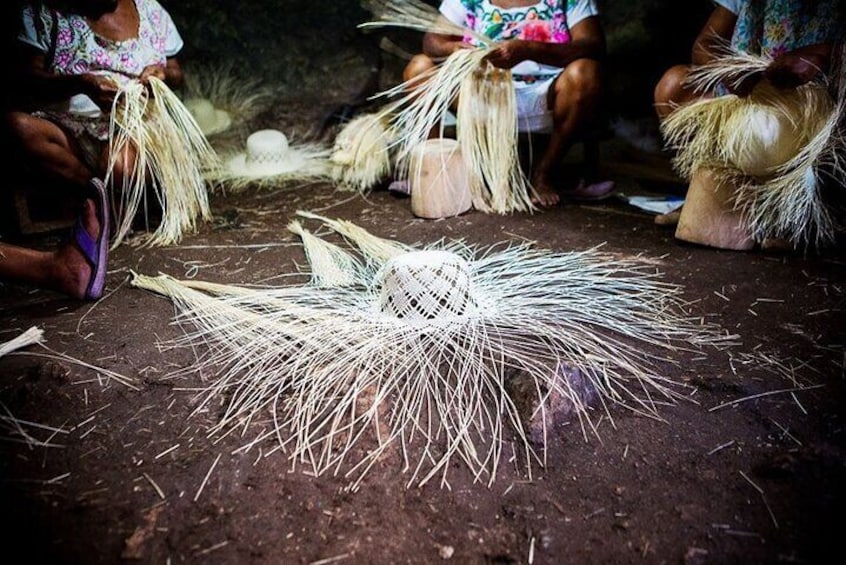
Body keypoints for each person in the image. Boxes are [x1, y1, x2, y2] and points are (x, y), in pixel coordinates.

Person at [1, 0, 184, 300]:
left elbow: (176, 71)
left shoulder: (150, 11)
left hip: (132, 126)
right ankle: (99, 194)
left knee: (121, 164)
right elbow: (25, 78)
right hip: (69, 126)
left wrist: (162, 75)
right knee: (19, 128)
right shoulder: (44, 13)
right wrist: (81, 84)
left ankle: (107, 202)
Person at [402, 0, 615, 207]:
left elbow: (592, 45)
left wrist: (529, 49)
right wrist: (454, 49)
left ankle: (543, 173)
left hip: (546, 95)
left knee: (586, 73)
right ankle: (438, 171)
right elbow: (431, 42)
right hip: (479, 96)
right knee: (419, 68)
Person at [653, 0, 844, 226]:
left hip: (817, 114)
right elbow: (704, 45)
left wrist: (822, 55)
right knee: (674, 86)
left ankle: (803, 209)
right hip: (746, 100)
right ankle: (719, 192)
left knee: (778, 135)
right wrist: (727, 69)